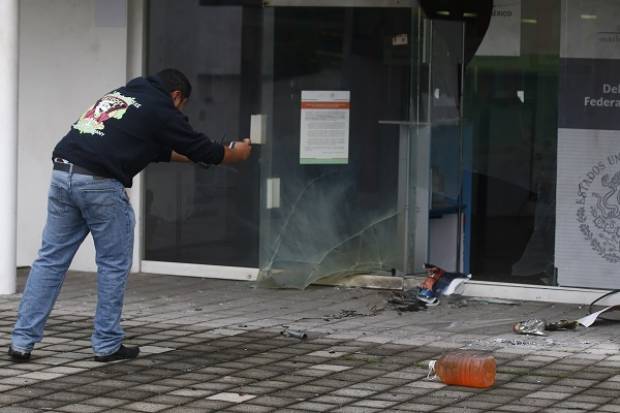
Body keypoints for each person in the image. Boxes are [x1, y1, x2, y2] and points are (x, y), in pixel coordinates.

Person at [9, 69, 251, 362]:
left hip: (64, 173)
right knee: (113, 264)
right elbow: (196, 146)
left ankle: (21, 342)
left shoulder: (124, 96)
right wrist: (232, 155)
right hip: (99, 183)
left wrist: (205, 154)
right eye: (183, 106)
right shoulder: (162, 107)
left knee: (49, 260)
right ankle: (107, 344)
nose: (180, 113)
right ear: (177, 96)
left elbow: (157, 149)